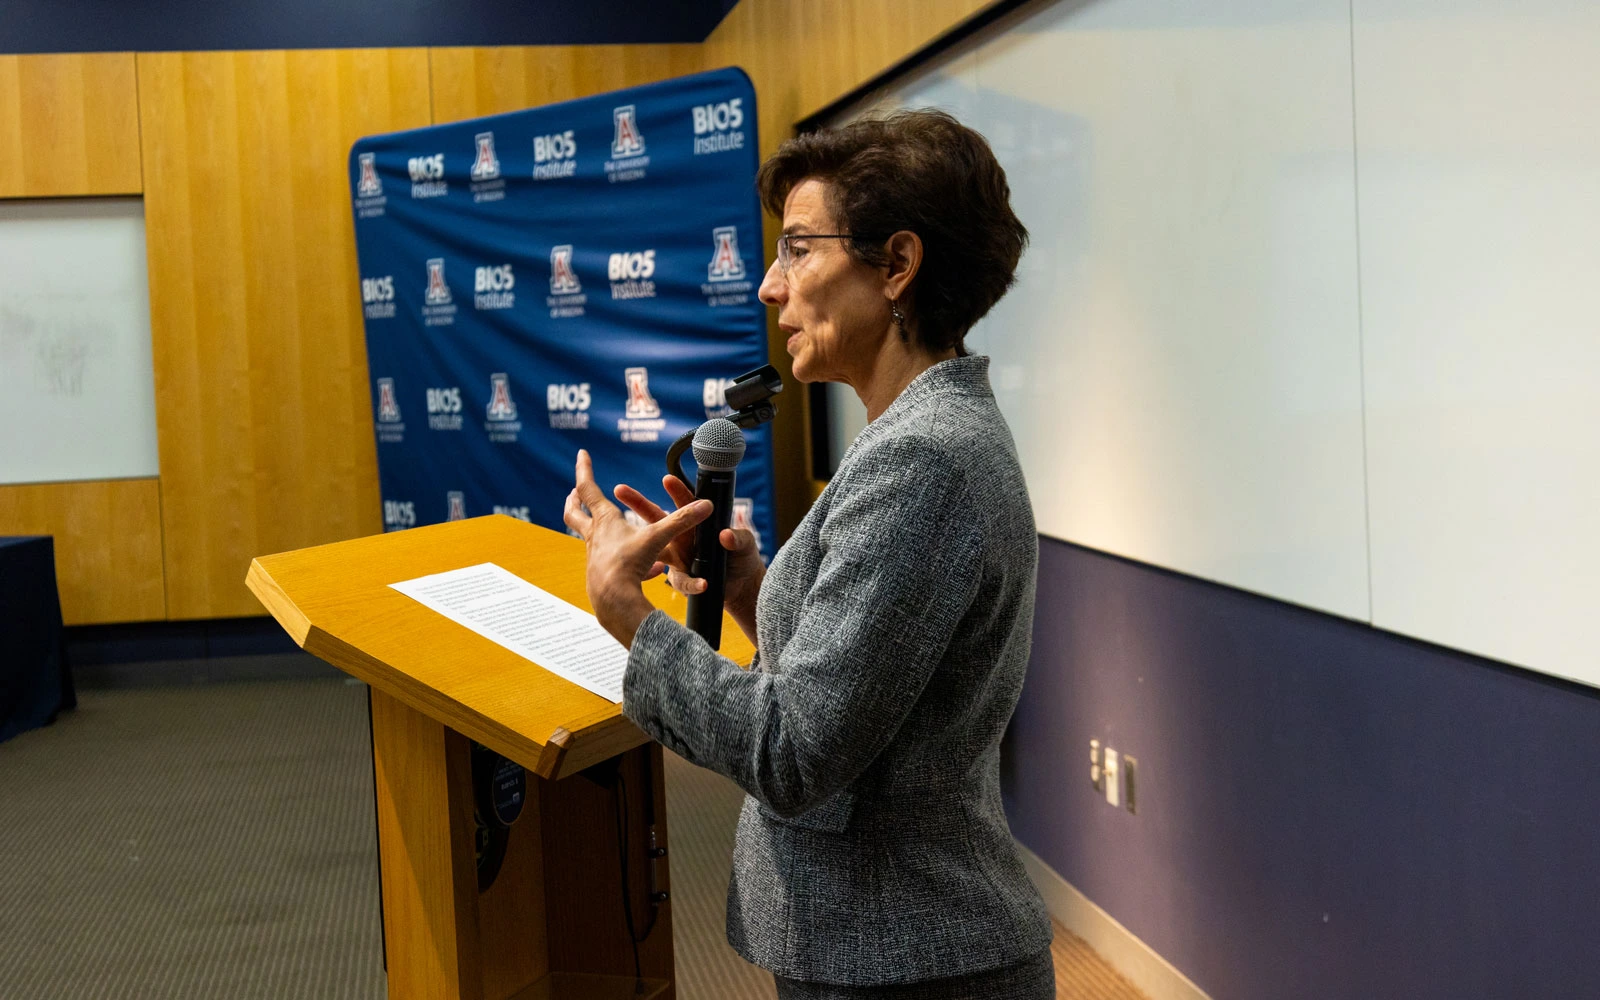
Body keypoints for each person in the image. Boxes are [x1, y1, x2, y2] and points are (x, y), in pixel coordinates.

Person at [564, 109, 1052, 999]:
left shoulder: (921, 460)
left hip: (910, 962)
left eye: (796, 249)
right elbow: (868, 684)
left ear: (896, 265)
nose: (767, 286)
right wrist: (746, 585)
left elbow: (794, 753)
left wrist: (625, 609)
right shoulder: (920, 434)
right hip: (892, 949)